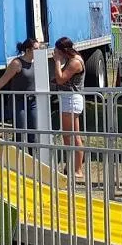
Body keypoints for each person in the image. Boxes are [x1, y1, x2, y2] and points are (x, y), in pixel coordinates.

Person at [0, 39, 43, 144]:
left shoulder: (38, 62)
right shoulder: (17, 63)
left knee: (33, 134)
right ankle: (18, 156)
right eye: (36, 49)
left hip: (33, 101)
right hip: (18, 101)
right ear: (28, 50)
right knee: (20, 132)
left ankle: (34, 159)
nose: (39, 51)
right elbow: (2, 80)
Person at [49, 37, 87, 177]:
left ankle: (77, 169)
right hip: (67, 98)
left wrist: (57, 61)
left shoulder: (75, 62)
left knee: (73, 136)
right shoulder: (73, 60)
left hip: (71, 99)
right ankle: (71, 166)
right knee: (68, 136)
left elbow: (61, 78)